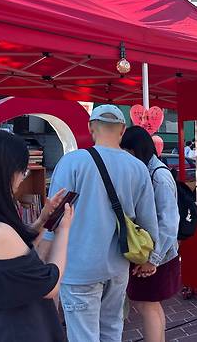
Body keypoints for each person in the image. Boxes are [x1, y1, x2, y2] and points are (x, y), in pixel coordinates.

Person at [46, 105, 159, 341]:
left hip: (79, 267)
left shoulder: (72, 162)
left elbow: (53, 217)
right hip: (118, 264)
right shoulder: (138, 167)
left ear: (91, 128)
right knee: (112, 329)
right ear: (122, 130)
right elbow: (148, 218)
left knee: (83, 335)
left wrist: (45, 256)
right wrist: (149, 258)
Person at [0, 128, 74, 342]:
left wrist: (44, 220)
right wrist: (63, 230)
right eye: (22, 170)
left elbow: (19, 250)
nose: (22, 178)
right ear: (5, 172)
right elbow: (50, 285)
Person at [120, 126, 181, 342]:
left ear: (136, 150)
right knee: (151, 305)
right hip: (153, 252)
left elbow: (169, 223)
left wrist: (152, 259)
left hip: (156, 254)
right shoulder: (148, 170)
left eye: (126, 151)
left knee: (147, 305)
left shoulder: (158, 175)